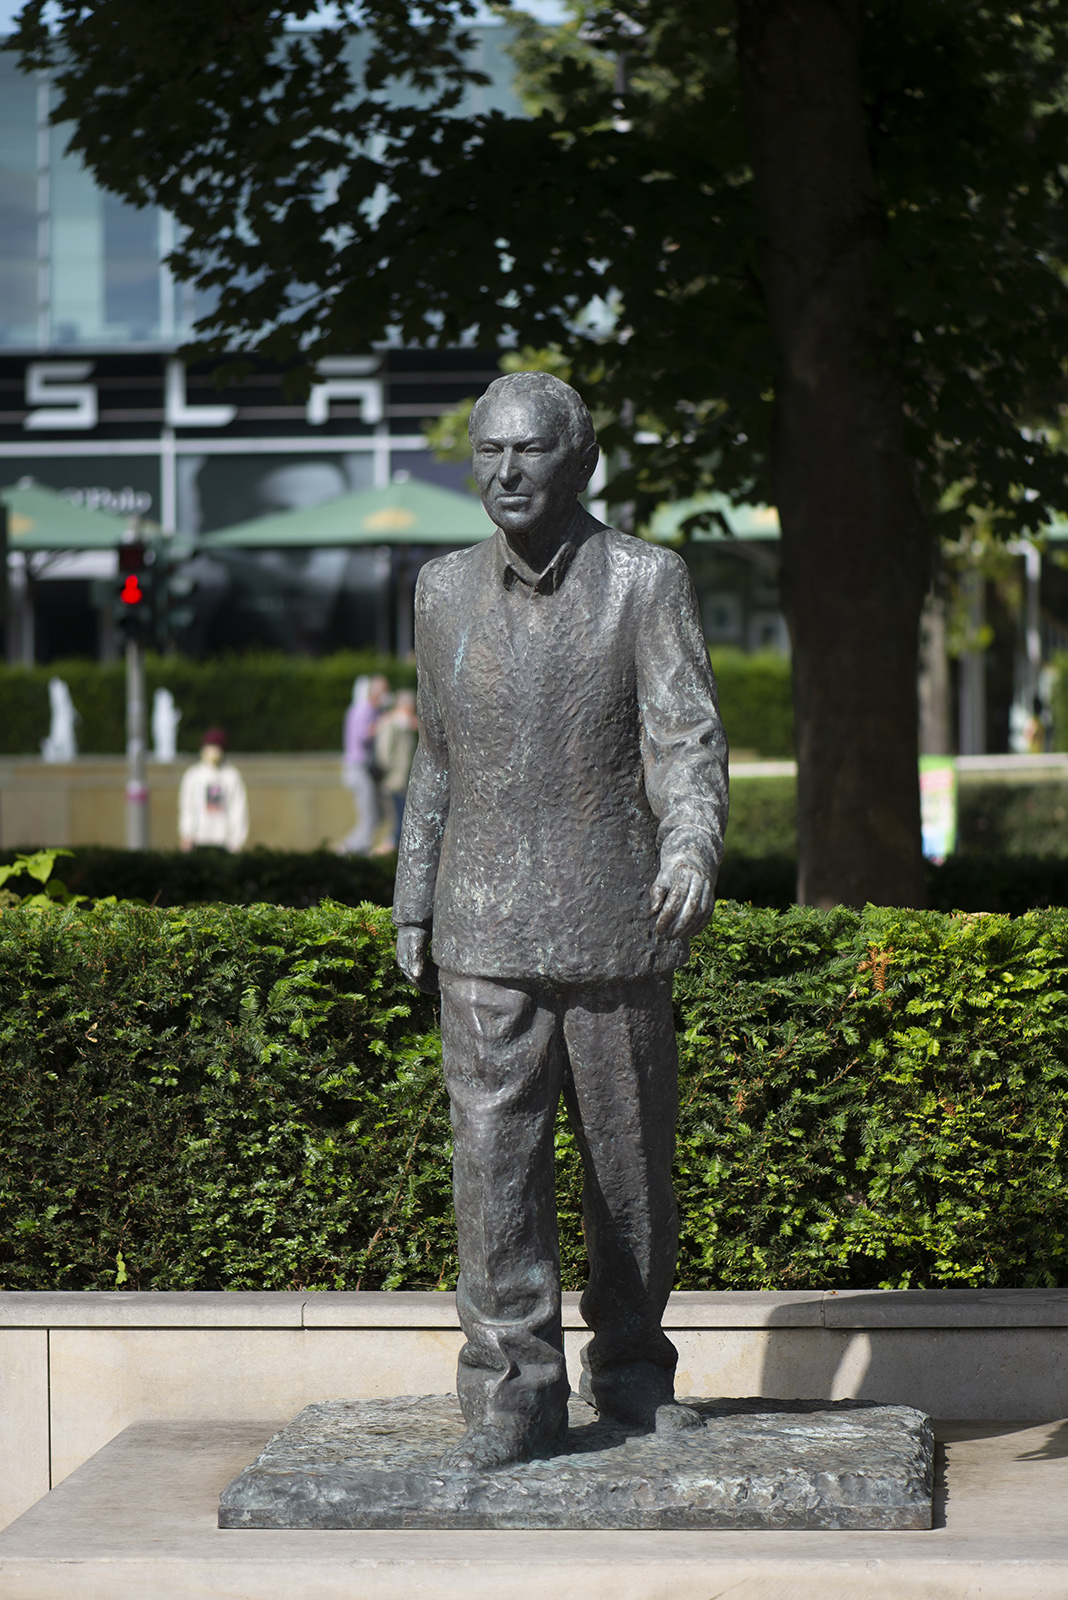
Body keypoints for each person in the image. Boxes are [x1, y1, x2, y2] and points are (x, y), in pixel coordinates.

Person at [393, 371, 728, 1471]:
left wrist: (691, 845)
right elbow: (432, 757)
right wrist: (413, 890)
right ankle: (513, 1392)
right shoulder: (440, 590)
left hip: (614, 920)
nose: (504, 472)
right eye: (487, 451)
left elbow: (685, 740)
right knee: (493, 1167)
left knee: (630, 1169)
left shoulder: (646, 581)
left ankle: (633, 1371)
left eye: (528, 451)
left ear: (580, 459)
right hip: (481, 925)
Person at [337, 674, 389, 854]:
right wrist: (382, 724)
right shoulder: (364, 710)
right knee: (369, 818)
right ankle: (346, 850)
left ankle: (357, 850)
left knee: (376, 816)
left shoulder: (370, 710)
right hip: (357, 769)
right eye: (384, 692)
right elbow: (362, 737)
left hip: (363, 770)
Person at [178, 727, 249, 852]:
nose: (212, 751)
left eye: (215, 747)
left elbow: (238, 809)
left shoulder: (231, 776)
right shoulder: (193, 775)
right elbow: (187, 806)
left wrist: (236, 841)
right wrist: (187, 834)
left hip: (224, 843)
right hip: (198, 841)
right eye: (209, 746)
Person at [373, 688, 419, 849]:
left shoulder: (403, 725)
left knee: (401, 825)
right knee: (399, 826)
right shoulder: (392, 724)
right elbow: (384, 754)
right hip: (394, 783)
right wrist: (394, 771)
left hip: (401, 783)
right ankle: (382, 852)